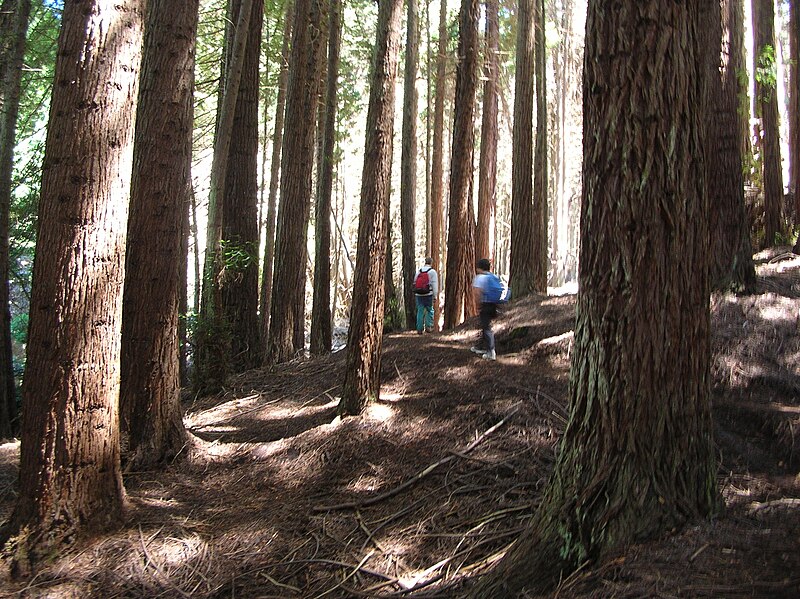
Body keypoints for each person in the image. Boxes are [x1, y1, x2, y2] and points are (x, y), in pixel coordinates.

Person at [471, 258, 498, 360]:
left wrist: (478, 304)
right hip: (494, 305)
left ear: (479, 268)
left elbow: (477, 292)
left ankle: (491, 352)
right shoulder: (493, 276)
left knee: (486, 327)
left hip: (486, 304)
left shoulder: (480, 278)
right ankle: (481, 347)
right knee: (485, 325)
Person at [413, 257, 438, 334]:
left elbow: (415, 282)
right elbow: (434, 284)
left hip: (419, 294)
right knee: (430, 310)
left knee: (420, 311)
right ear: (431, 263)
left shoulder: (419, 271)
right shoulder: (432, 272)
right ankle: (428, 327)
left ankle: (419, 328)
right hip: (428, 294)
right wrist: (435, 295)